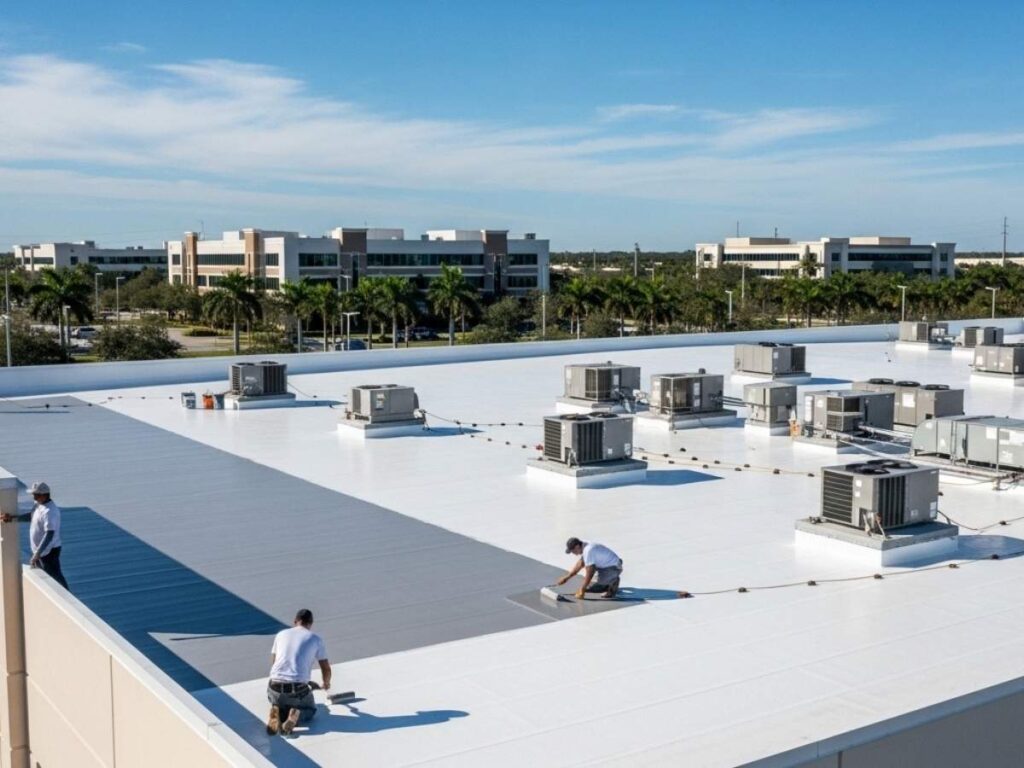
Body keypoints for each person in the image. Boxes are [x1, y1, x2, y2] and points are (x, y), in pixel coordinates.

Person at [267, 608, 331, 736]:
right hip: (297, 690)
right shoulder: (315, 639)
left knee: (282, 703)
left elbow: (274, 662)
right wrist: (326, 683)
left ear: (295, 621)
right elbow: (326, 668)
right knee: (310, 710)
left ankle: (277, 710)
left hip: (274, 686)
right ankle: (296, 716)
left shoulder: (281, 634)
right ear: (311, 623)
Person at [0, 481, 68, 590]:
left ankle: (67, 597)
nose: (34, 498)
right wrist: (12, 518)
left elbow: (49, 534)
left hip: (48, 552)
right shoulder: (38, 505)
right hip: (41, 551)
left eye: (36, 495)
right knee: (46, 577)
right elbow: (31, 517)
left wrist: (37, 554)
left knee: (54, 577)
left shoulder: (50, 512)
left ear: (44, 495)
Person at [556, 537, 622, 599]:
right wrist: (567, 577)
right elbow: (581, 563)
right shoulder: (584, 545)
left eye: (573, 551)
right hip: (606, 565)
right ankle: (608, 580)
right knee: (589, 583)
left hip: (613, 567)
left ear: (577, 547)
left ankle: (613, 581)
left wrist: (583, 588)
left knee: (595, 587)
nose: (573, 554)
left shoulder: (588, 550)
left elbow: (590, 572)